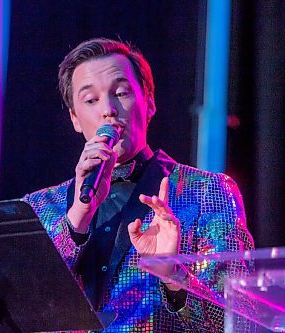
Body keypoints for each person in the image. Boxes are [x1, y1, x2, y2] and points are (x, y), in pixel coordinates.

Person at [23, 38, 255, 332]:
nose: (108, 109)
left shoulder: (207, 191)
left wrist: (173, 275)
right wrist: (77, 220)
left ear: (149, 102)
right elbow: (23, 309)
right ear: (75, 119)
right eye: (90, 100)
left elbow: (241, 320)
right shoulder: (39, 208)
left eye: (121, 92)